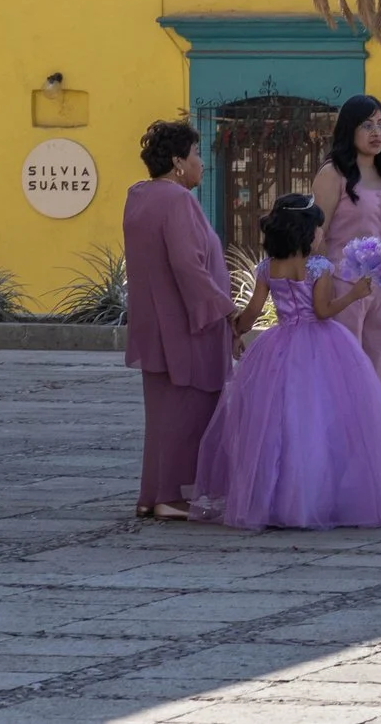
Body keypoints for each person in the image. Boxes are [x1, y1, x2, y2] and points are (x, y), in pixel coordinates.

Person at [189, 195, 381, 530]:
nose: (322, 234)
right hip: (320, 345)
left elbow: (252, 312)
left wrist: (236, 330)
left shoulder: (267, 269)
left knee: (279, 423)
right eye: (318, 228)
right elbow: (323, 311)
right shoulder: (319, 268)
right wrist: (354, 294)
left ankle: (275, 498)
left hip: (279, 346)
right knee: (318, 421)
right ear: (306, 232)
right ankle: (312, 499)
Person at [122, 119, 236, 520]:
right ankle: (171, 496)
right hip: (187, 325)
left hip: (156, 324)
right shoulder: (178, 201)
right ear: (176, 161)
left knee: (163, 415)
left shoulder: (138, 196)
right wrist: (225, 309)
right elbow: (189, 266)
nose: (201, 163)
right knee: (188, 413)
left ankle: (154, 493)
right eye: (196, 154)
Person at [312, 94, 381, 423]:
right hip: (343, 289)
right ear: (349, 129)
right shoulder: (333, 174)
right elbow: (316, 238)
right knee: (347, 374)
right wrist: (319, 289)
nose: (376, 132)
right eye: (367, 125)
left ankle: (379, 456)